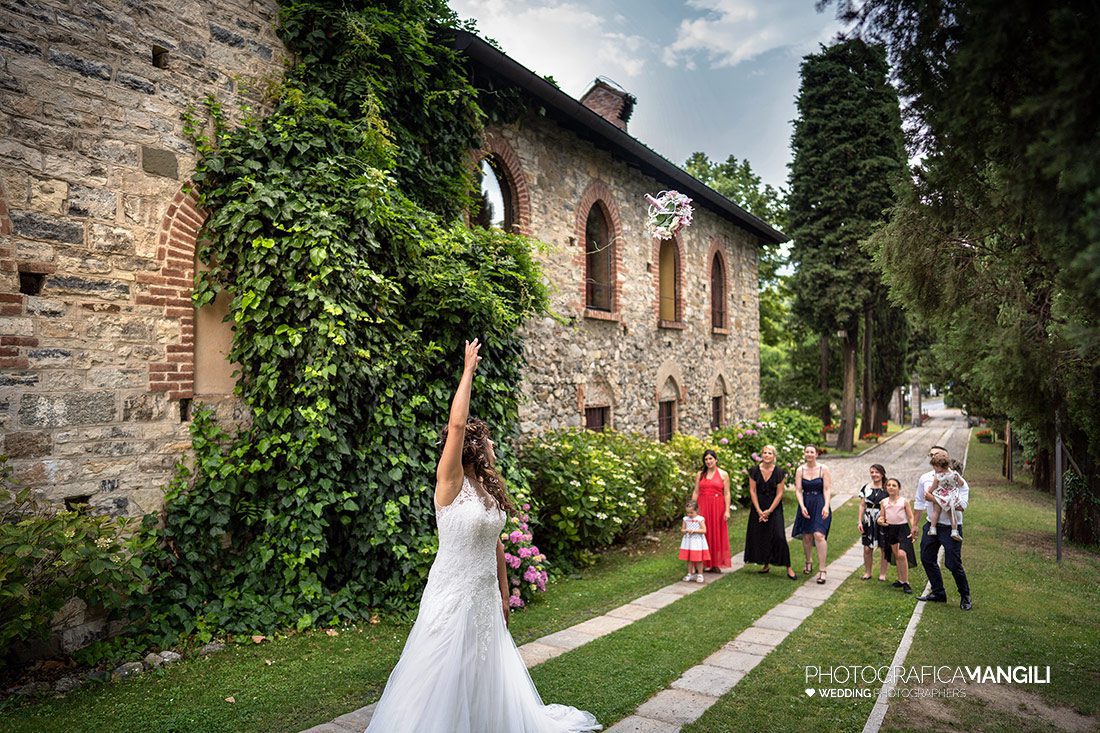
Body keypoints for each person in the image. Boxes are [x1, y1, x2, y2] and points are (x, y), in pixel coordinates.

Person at [365, 339, 601, 732]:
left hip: (484, 595)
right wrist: (468, 372)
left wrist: (505, 594)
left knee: (483, 667)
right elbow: (456, 424)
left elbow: (495, 543)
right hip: (452, 592)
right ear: (473, 448)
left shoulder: (486, 490)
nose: (494, 445)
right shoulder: (450, 483)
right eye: (488, 440)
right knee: (442, 668)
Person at [914, 445, 972, 611]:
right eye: (931, 455)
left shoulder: (958, 480)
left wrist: (934, 498)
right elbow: (920, 501)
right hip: (931, 525)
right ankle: (938, 592)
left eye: (938, 455)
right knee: (926, 558)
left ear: (946, 458)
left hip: (951, 527)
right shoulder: (925, 478)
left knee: (953, 563)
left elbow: (961, 506)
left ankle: (965, 595)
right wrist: (914, 525)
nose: (934, 457)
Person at [743, 445, 796, 579]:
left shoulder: (779, 472)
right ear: (761, 455)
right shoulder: (754, 471)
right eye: (765, 453)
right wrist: (759, 511)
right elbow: (752, 491)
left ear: (774, 456)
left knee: (779, 536)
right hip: (758, 506)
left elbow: (779, 494)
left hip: (774, 507)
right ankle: (765, 564)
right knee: (762, 535)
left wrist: (769, 511)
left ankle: (788, 567)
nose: (767, 455)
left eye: (770, 453)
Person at [792, 445, 832, 584]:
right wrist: (802, 506)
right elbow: (798, 490)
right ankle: (808, 561)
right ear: (804, 454)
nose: (809, 454)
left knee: (819, 535)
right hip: (806, 503)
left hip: (820, 503)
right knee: (807, 535)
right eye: (807, 452)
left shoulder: (823, 469)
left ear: (816, 454)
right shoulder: (800, 470)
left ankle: (822, 570)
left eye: (812, 452)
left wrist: (826, 506)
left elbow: (827, 489)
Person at [692, 449, 731, 572]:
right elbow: (696, 491)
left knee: (716, 533)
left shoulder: (723, 474)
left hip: (717, 507)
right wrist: (692, 509)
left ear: (716, 460)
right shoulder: (700, 474)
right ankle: (700, 563)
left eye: (710, 459)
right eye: (706, 459)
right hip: (702, 506)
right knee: (702, 534)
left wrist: (727, 510)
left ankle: (715, 564)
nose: (708, 461)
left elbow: (727, 493)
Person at [877, 478, 915, 593]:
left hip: (902, 529)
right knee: (896, 555)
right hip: (890, 530)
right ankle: (900, 579)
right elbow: (882, 516)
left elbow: (910, 516)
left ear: (899, 488)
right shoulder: (884, 502)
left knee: (902, 554)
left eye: (894, 485)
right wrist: (880, 520)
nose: (891, 487)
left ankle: (906, 582)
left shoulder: (904, 501)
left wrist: (913, 528)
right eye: (889, 485)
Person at [857, 464, 890, 581]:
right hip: (868, 519)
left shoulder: (887, 488)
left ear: (882, 473)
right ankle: (868, 572)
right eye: (872, 472)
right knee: (867, 548)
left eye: (876, 472)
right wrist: (859, 522)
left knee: (884, 547)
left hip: (883, 519)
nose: (874, 474)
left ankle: (882, 574)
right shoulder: (866, 488)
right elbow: (862, 505)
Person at [926, 454, 964, 541]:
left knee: (936, 511)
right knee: (952, 514)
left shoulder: (938, 476)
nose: (934, 469)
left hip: (940, 496)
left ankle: (932, 528)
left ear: (939, 467)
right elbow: (961, 483)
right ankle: (954, 531)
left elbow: (933, 487)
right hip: (951, 497)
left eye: (934, 467)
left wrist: (929, 492)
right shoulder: (955, 474)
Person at [679, 499, 710, 583]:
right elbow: (682, 529)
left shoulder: (700, 519)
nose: (689, 514)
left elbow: (704, 530)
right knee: (689, 558)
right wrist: (685, 531)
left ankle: (700, 574)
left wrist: (695, 531)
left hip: (697, 541)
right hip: (688, 541)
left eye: (691, 513)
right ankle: (689, 573)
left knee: (699, 558)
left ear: (696, 510)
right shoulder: (685, 519)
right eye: (687, 513)